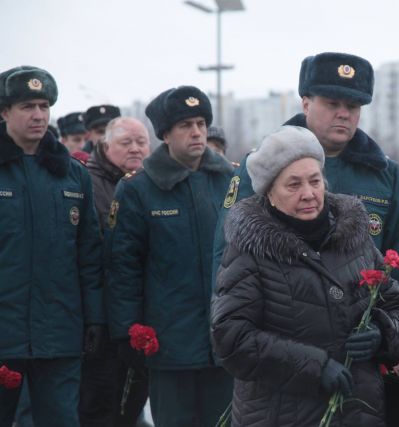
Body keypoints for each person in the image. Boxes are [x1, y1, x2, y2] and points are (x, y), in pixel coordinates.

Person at [214, 52, 399, 352]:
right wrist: (236, 343)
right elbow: (225, 256)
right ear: (306, 103)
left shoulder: (384, 174)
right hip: (282, 346)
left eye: (352, 106)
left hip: (362, 349)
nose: (343, 114)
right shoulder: (261, 165)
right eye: (332, 104)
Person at [211, 125, 399, 426]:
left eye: (314, 181)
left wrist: (382, 334)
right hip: (281, 414)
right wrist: (315, 367)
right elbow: (231, 338)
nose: (308, 194)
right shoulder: (249, 249)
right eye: (293, 185)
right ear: (270, 194)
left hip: (358, 411)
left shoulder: (354, 235)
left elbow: (395, 304)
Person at [104, 85, 234, 427]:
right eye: (185, 125)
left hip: (225, 340)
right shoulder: (137, 190)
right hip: (169, 345)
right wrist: (127, 332)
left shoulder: (229, 182)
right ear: (165, 134)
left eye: (201, 124)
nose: (197, 132)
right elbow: (123, 269)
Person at [0, 66, 104, 427]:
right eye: (28, 106)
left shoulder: (72, 174)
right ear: (4, 112)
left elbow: (89, 254)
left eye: (44, 106)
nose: (39, 115)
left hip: (59, 334)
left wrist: (93, 318)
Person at [80, 117, 151, 427]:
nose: (135, 149)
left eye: (141, 142)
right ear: (106, 146)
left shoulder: (151, 184)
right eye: (126, 143)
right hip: (102, 318)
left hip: (141, 314)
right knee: (101, 405)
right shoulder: (87, 183)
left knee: (132, 404)